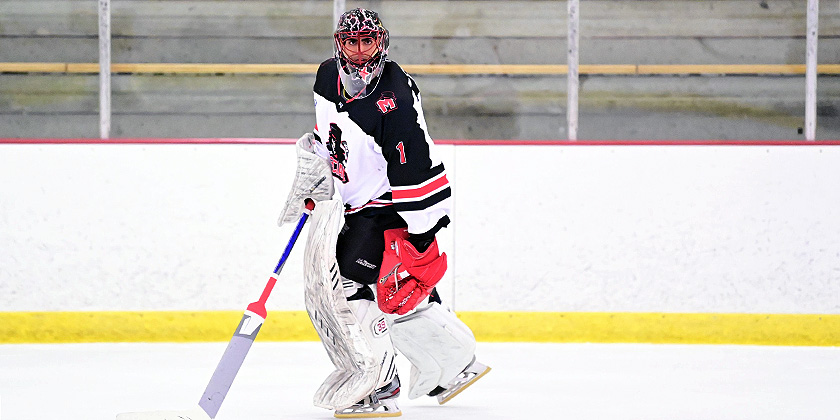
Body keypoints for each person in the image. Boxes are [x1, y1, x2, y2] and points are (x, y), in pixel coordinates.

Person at [277, 8, 490, 418]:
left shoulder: (395, 97)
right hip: (355, 205)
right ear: (340, 43)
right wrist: (319, 171)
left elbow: (415, 164)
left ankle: (380, 385)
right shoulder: (326, 76)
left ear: (382, 42)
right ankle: (453, 364)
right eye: (351, 42)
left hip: (390, 207)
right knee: (398, 292)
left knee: (348, 283)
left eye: (367, 41)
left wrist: (422, 236)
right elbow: (333, 136)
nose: (359, 52)